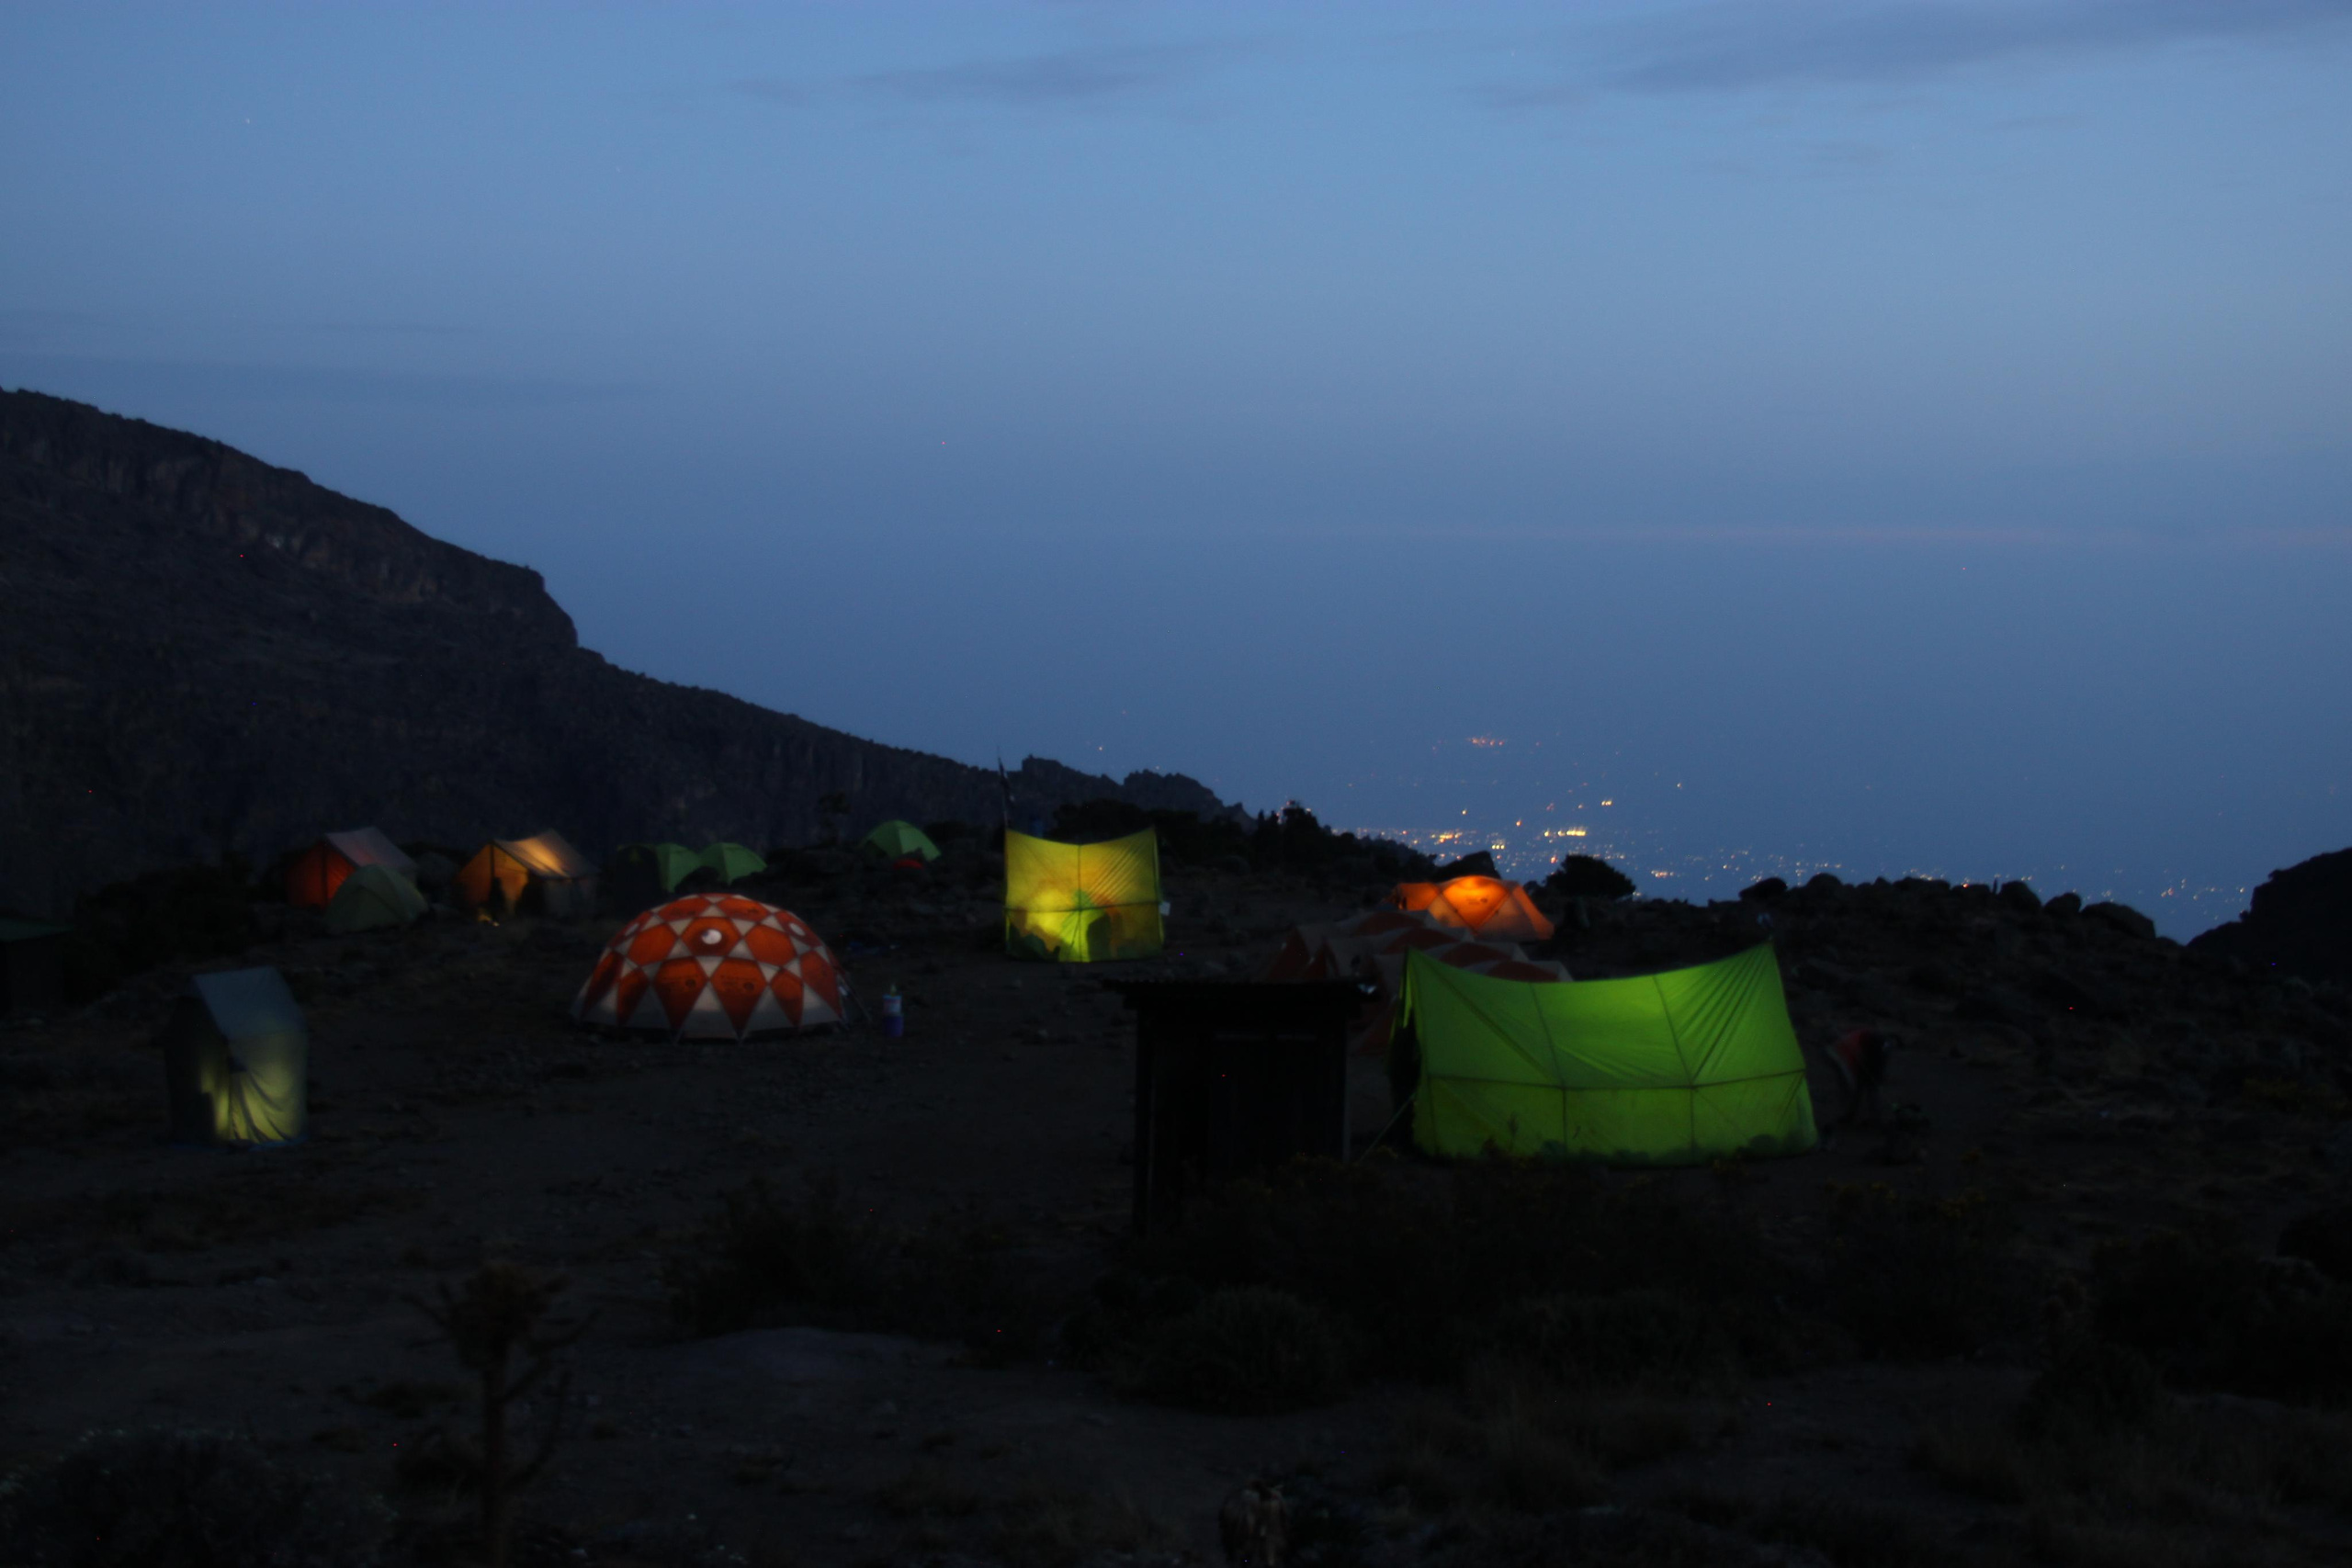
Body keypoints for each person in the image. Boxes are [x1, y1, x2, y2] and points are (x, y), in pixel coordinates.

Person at [1825, 1028, 1899, 1128]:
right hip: (1867, 1060)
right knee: (1867, 1091)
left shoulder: (1875, 1041)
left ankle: (1870, 1119)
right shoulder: (1883, 1043)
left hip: (1867, 1059)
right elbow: (1877, 1059)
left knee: (1866, 1091)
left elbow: (1872, 1057)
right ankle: (1868, 1118)